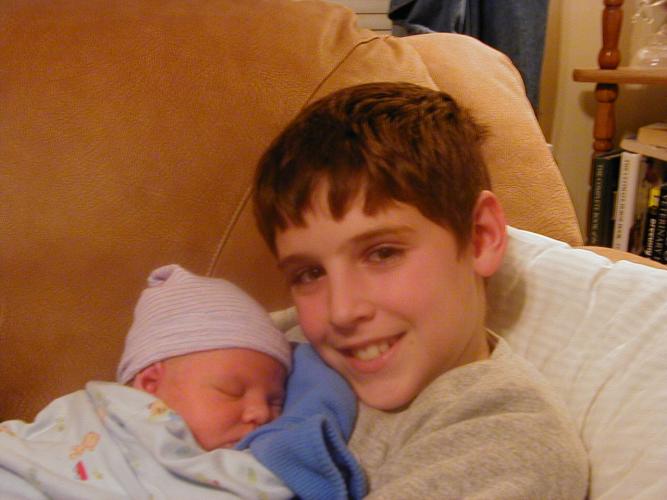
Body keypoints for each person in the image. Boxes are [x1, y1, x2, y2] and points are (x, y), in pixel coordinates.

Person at [253, 81, 590, 498]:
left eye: (382, 254)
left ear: (481, 237)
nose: (341, 311)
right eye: (309, 274)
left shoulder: (506, 440)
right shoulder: (281, 343)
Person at [0, 264, 365, 500]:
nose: (260, 413)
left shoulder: (232, 460)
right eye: (231, 391)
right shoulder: (106, 415)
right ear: (150, 383)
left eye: (275, 401)